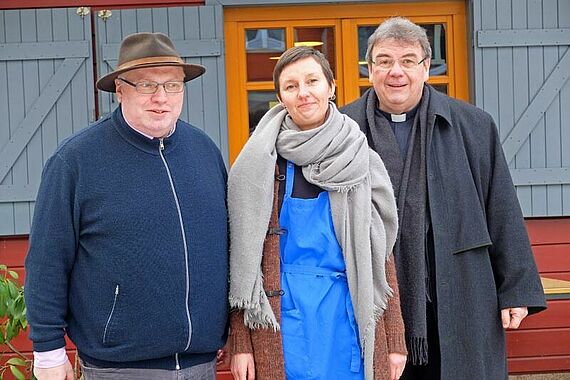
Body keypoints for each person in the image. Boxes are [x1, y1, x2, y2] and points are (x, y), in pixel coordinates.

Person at [341, 17, 547, 380]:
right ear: (370, 69)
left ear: (426, 68)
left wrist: (516, 288)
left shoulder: (472, 124)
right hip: (371, 299)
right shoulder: (343, 129)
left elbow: (501, 207)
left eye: (408, 60)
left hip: (460, 290)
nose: (396, 72)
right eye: (385, 60)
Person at [24, 32, 229, 380]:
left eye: (173, 86)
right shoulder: (75, 160)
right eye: (147, 85)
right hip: (119, 367)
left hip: (202, 363)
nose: (161, 98)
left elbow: (225, 245)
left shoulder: (205, 151)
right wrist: (47, 351)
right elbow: (47, 261)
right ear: (120, 90)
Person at [227, 46, 407, 380]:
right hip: (282, 322)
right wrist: (240, 342)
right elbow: (242, 258)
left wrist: (394, 338)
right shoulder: (259, 163)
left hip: (349, 316)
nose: (304, 92)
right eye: (291, 86)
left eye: (312, 80)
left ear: (331, 86)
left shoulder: (361, 160)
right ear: (281, 96)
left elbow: (381, 256)